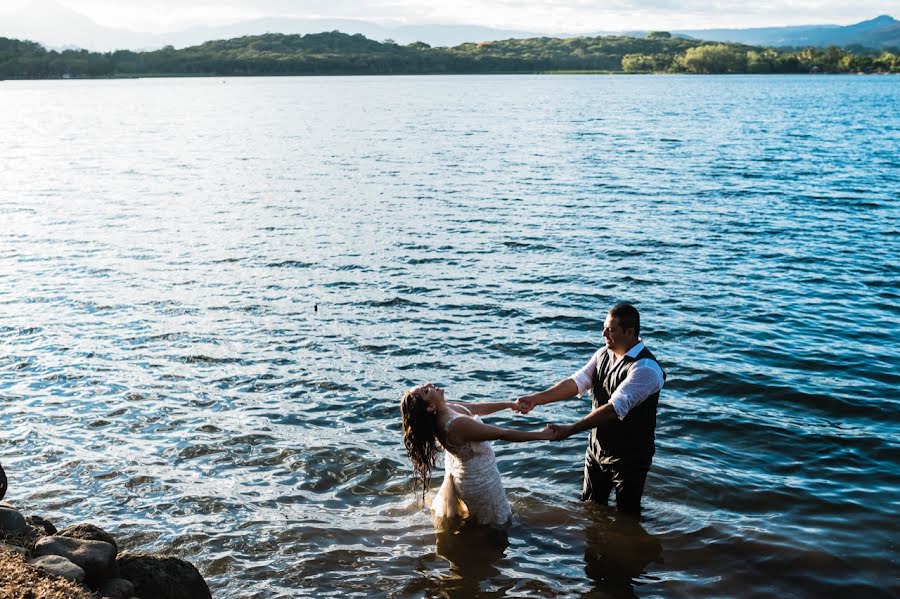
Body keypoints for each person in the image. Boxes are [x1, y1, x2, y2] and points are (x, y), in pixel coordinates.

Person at [516, 303, 665, 516]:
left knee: (627, 517)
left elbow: (613, 408)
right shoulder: (602, 354)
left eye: (611, 329)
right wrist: (536, 399)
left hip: (630, 457)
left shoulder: (646, 369)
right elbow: (576, 383)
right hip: (596, 450)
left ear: (630, 332)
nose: (603, 333)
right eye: (605, 327)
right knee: (591, 508)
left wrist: (570, 429)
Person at [401, 382, 553, 529]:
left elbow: (474, 408)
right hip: (481, 482)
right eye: (425, 391)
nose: (428, 385)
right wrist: (541, 435)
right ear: (430, 406)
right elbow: (501, 433)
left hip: (479, 472)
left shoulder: (445, 408)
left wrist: (509, 405)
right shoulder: (454, 425)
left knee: (487, 522)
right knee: (497, 525)